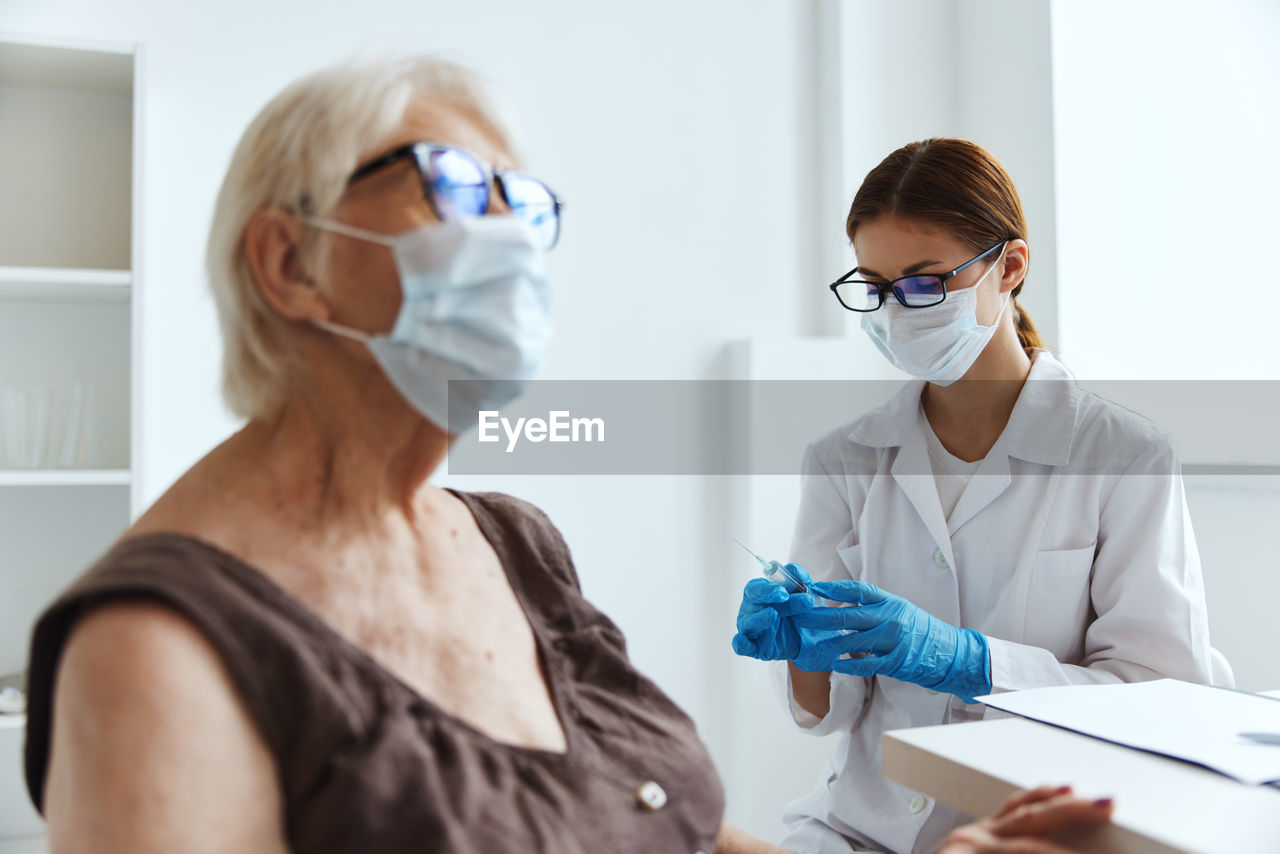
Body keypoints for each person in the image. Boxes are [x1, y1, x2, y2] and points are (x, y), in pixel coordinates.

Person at [19, 59, 1109, 853]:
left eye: (522, 204)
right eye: (452, 184)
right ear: (290, 261)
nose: (509, 239)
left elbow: (659, 824)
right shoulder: (160, 644)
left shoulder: (510, 542)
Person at [732, 138, 1222, 854]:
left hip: (1031, 830)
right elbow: (829, 715)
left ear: (1010, 267)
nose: (898, 310)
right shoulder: (844, 458)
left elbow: (1160, 698)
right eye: (876, 286)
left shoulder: (1122, 456)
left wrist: (971, 661)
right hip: (855, 831)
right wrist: (804, 648)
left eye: (925, 283)